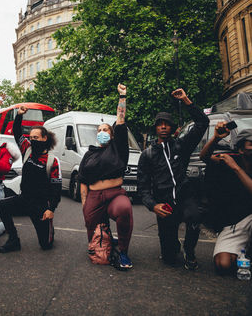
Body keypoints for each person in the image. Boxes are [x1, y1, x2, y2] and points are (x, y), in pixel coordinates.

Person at [138, 89, 209, 270]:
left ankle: (189, 250)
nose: (163, 127)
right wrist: (153, 205)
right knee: (169, 258)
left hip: (185, 198)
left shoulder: (181, 146)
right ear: (155, 127)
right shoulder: (147, 155)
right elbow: (143, 187)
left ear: (172, 128)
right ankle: (172, 244)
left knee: (195, 216)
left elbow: (202, 123)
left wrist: (186, 100)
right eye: (159, 124)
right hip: (165, 204)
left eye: (167, 124)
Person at [78, 84, 133, 270]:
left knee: (124, 209)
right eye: (99, 130)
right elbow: (83, 180)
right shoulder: (89, 154)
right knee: (91, 229)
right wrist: (85, 202)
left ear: (112, 134)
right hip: (94, 195)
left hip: (115, 193)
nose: (102, 132)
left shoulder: (119, 148)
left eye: (106, 130)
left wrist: (122, 97)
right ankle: (103, 244)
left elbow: (121, 118)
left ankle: (123, 252)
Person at [0, 105, 62, 253]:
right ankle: (13, 240)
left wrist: (50, 209)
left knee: (45, 245)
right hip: (24, 198)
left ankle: (49, 230)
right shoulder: (27, 149)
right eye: (31, 137)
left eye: (36, 138)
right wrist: (19, 115)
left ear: (44, 138)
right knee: (2, 205)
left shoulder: (52, 160)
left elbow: (56, 188)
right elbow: (17, 132)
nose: (32, 140)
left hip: (40, 206)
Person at [200, 125, 252, 275]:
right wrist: (216, 138)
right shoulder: (229, 159)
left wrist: (236, 168)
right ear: (241, 149)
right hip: (234, 224)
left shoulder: (233, 164)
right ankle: (243, 252)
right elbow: (204, 157)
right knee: (223, 265)